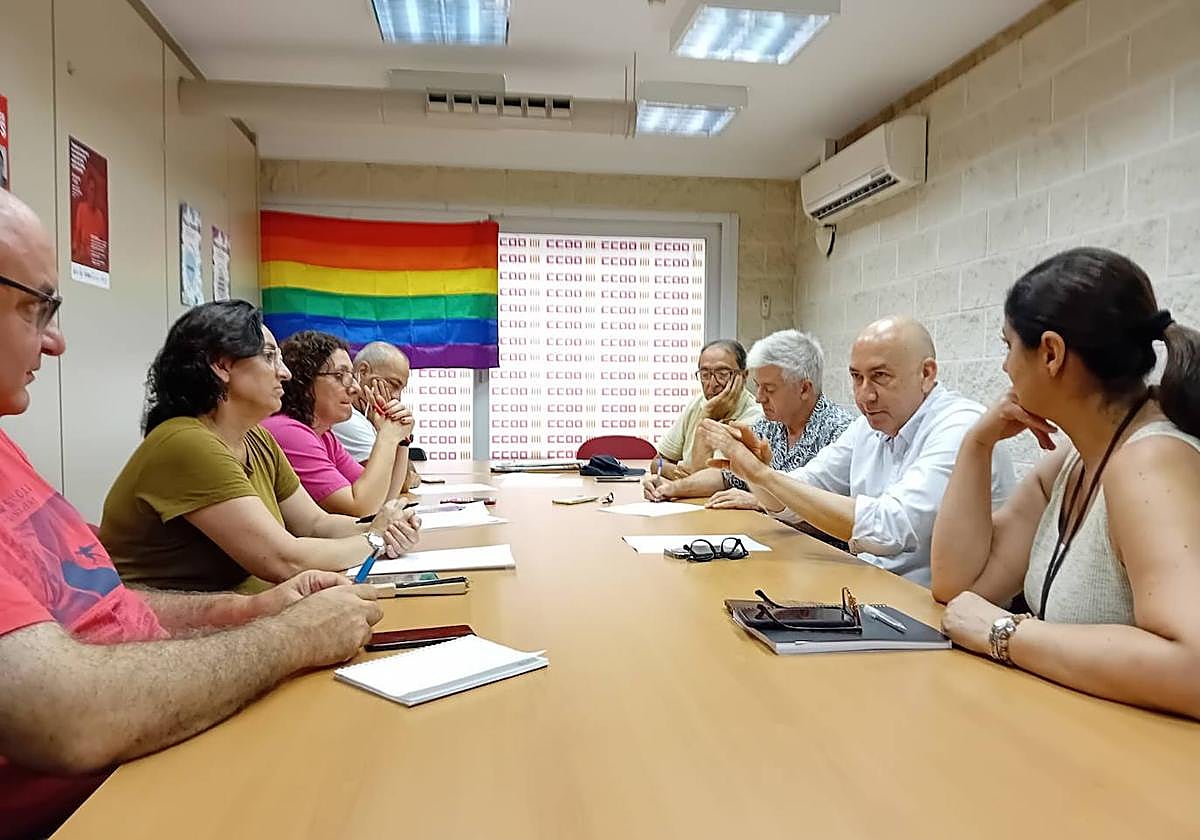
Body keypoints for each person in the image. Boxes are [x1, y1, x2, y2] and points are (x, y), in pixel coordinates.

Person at [0, 191, 385, 839]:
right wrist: (290, 638)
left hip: (150, 739)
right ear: (222, 368)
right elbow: (62, 715)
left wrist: (242, 613)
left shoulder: (8, 446)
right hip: (98, 800)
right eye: (35, 307)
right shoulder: (184, 441)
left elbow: (93, 608)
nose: (57, 340)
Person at [931, 248, 1200, 719]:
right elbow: (961, 585)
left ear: (1051, 353)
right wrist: (978, 444)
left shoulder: (1150, 465)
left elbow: (1193, 665)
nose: (1004, 368)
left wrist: (1005, 632)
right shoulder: (1074, 460)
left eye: (1008, 346)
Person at [99, 301, 421, 592]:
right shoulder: (186, 442)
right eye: (269, 357)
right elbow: (284, 560)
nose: (286, 373)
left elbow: (315, 524)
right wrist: (374, 538)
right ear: (222, 365)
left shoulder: (258, 438)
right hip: (167, 633)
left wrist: (384, 526)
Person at [700, 315, 1015, 585]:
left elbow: (890, 528)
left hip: (935, 609)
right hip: (873, 590)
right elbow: (793, 499)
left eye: (880, 377)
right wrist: (754, 474)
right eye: (856, 378)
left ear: (927, 373)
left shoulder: (959, 425)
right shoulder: (868, 426)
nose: (865, 396)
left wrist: (762, 475)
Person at [643, 330, 853, 510]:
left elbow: (836, 511)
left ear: (804, 389)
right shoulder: (769, 424)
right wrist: (671, 488)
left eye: (769, 389)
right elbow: (726, 476)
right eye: (758, 386)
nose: (760, 397)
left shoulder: (840, 433)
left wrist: (761, 502)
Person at [263, 331, 413, 517]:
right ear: (305, 380)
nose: (355, 388)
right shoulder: (289, 431)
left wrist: (401, 438)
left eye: (351, 375)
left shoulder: (324, 435)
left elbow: (385, 497)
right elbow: (361, 508)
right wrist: (388, 437)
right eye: (340, 375)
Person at [652, 339, 763, 480]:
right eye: (705, 375)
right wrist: (672, 471)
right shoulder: (697, 403)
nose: (712, 384)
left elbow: (704, 479)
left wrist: (708, 417)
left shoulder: (757, 417)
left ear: (744, 375)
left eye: (722, 374)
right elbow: (657, 462)